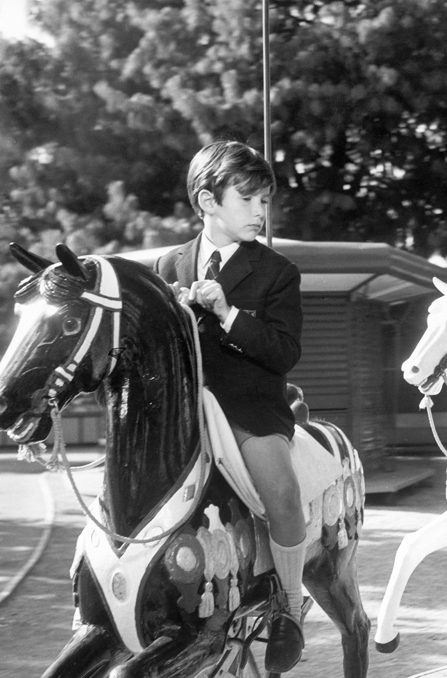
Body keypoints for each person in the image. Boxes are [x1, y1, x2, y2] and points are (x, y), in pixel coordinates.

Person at [156, 140, 307, 674]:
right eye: (249, 200)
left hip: (249, 407)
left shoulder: (277, 271)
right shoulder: (168, 262)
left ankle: (290, 604)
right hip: (185, 412)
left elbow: (285, 351)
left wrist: (227, 313)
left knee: (283, 494)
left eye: (265, 201)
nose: (262, 212)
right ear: (207, 200)